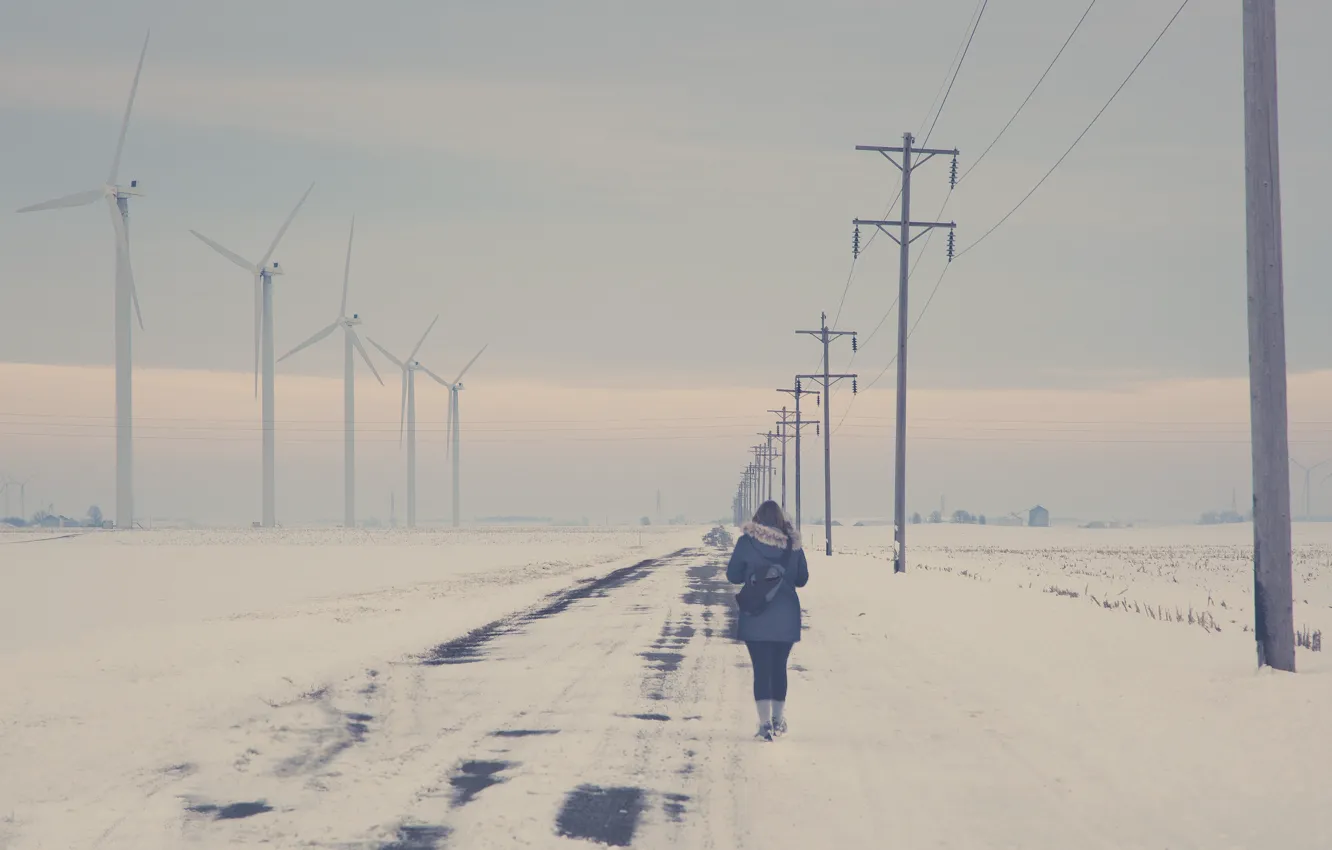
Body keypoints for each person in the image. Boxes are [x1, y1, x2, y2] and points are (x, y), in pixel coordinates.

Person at [726, 500, 809, 741]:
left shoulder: (746, 542)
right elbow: (802, 579)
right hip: (786, 615)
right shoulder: (793, 545)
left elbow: (733, 575)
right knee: (779, 667)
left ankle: (764, 725)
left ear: (757, 519)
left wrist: (752, 574)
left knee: (761, 669)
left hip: (756, 614)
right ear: (782, 519)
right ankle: (778, 720)